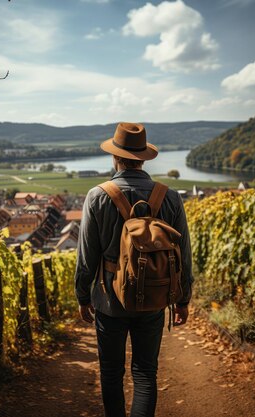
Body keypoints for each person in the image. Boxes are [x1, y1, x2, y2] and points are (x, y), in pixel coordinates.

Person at [75, 122, 193, 417]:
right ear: (143, 157)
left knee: (112, 373)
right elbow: (184, 254)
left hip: (108, 299)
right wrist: (183, 299)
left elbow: (87, 255)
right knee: (145, 374)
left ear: (115, 157)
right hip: (153, 298)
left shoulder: (98, 196)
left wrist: (83, 295)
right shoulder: (170, 197)